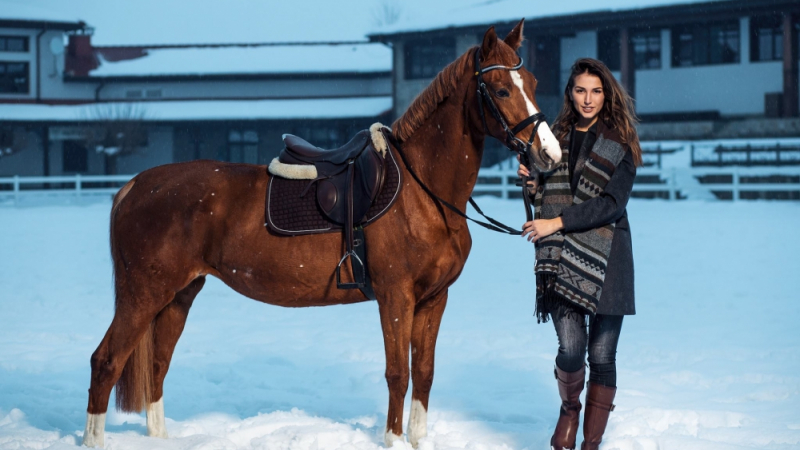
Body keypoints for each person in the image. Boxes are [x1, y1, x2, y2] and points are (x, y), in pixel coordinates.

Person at [518, 58, 642, 450]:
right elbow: (544, 194)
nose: (588, 99)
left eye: (596, 91)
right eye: (580, 90)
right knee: (571, 350)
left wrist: (556, 222)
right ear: (570, 94)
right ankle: (569, 409)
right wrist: (532, 185)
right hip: (560, 260)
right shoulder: (554, 138)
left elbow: (611, 204)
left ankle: (591, 443)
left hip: (609, 256)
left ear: (607, 95)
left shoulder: (622, 144)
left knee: (602, 354)